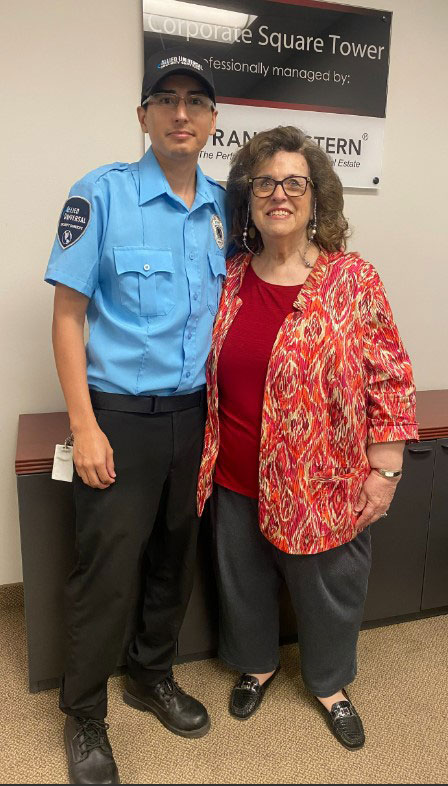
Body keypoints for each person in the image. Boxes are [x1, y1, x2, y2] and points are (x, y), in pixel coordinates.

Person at [197, 125, 418, 750]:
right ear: (249, 197)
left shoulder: (353, 279)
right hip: (235, 472)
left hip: (321, 478)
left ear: (315, 196)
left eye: (294, 182)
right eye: (264, 182)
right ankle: (258, 665)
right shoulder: (231, 277)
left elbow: (389, 371)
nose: (279, 194)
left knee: (328, 589)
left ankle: (329, 683)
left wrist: (387, 465)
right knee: (242, 582)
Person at [45, 47, 228, 784]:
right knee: (107, 573)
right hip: (119, 415)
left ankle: (150, 677)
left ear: (213, 119)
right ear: (144, 115)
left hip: (195, 417)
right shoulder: (103, 194)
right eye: (167, 99)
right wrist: (86, 425)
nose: (181, 113)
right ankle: (85, 715)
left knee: (172, 560)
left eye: (195, 101)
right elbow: (67, 316)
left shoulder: (224, 204)